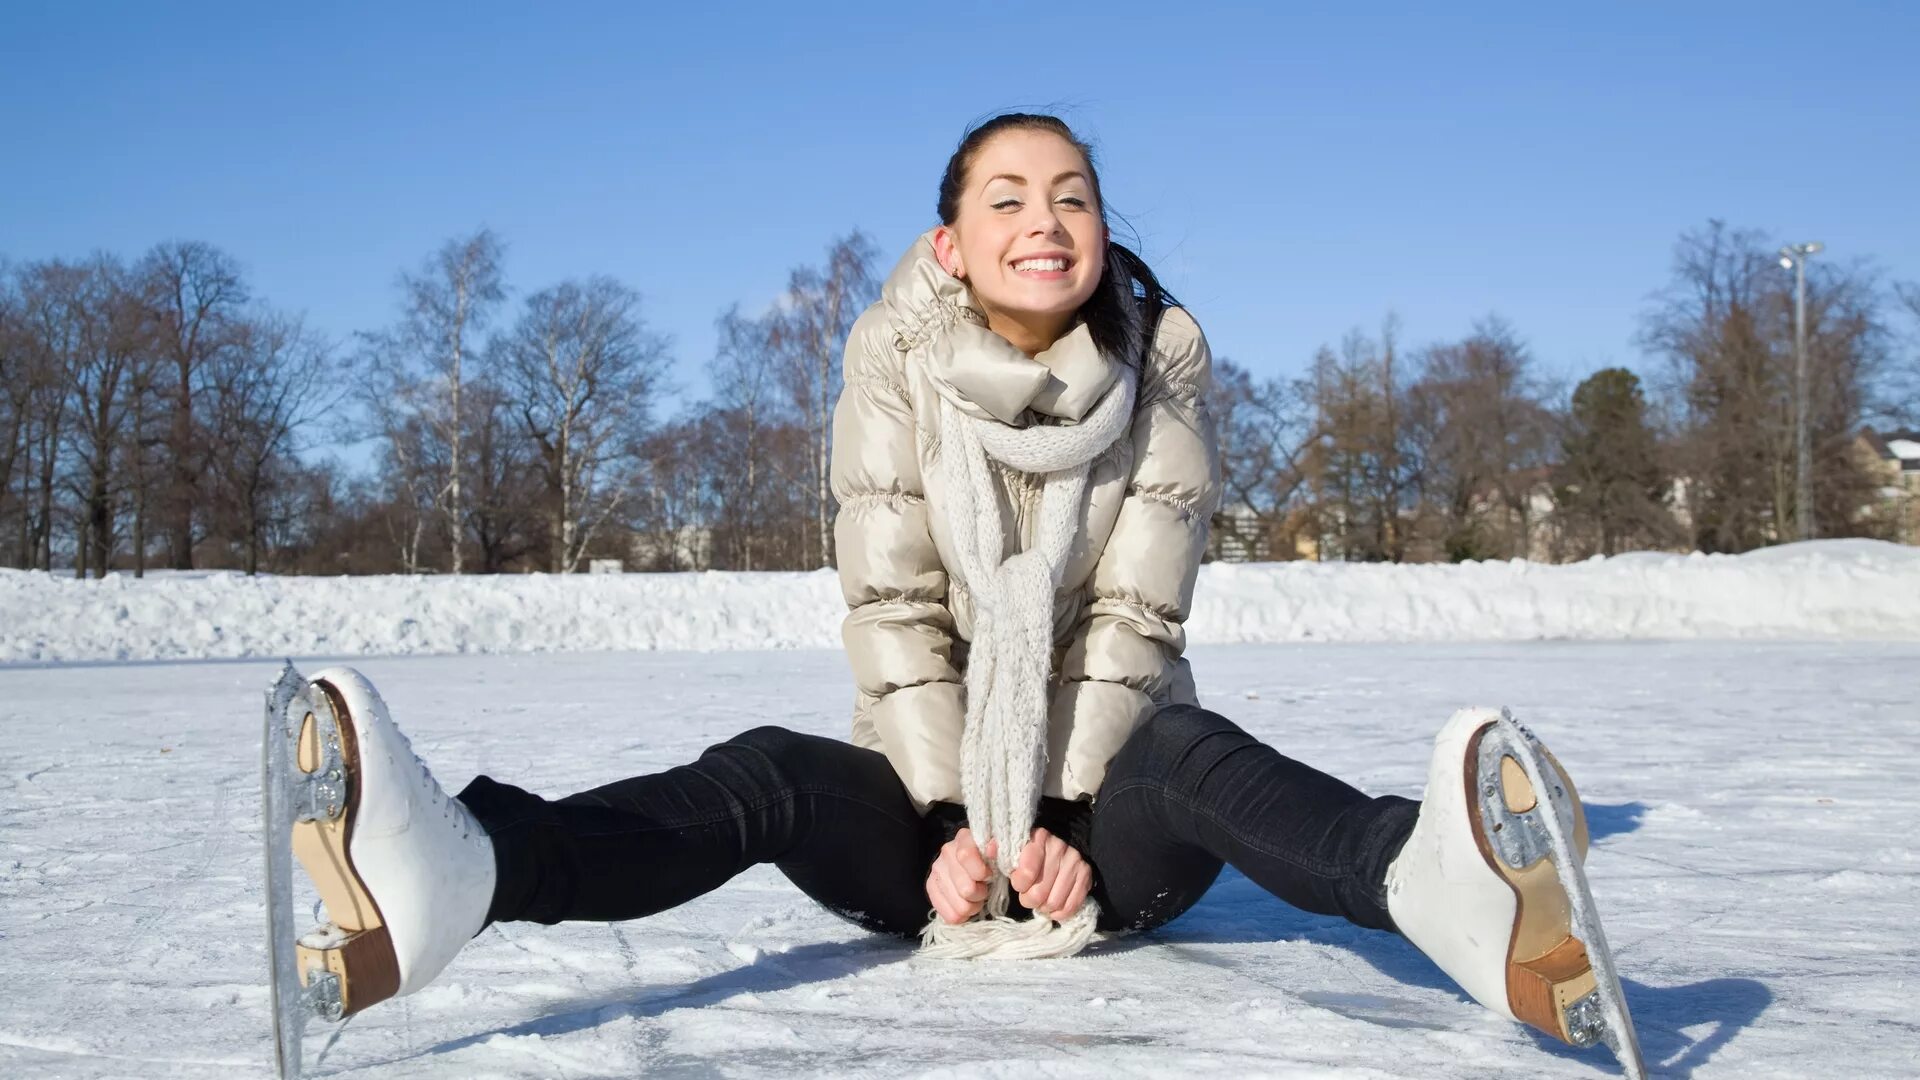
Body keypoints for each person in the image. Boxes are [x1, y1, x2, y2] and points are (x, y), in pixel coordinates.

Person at [282, 113, 1620, 1050]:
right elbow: (897, 612)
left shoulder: (1166, 375)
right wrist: (948, 833)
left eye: (1074, 195)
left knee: (1192, 748)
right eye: (1009, 197)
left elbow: (1134, 625)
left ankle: (1436, 885)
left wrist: (1065, 838)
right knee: (770, 770)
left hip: (1114, 808)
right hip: (929, 799)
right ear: (951, 246)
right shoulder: (891, 368)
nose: (1047, 218)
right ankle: (468, 871)